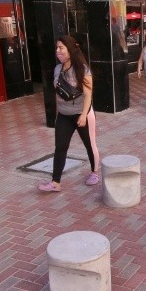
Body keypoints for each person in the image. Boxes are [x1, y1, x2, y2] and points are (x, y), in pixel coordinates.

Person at [38, 35, 99, 192]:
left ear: (70, 50)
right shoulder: (58, 69)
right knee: (60, 147)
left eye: (61, 48)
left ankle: (94, 172)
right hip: (64, 115)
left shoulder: (82, 69)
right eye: (57, 48)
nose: (57, 51)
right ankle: (55, 182)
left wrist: (84, 115)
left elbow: (88, 94)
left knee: (89, 144)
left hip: (82, 114)